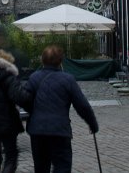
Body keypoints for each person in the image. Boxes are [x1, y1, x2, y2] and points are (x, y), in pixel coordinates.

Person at [24, 45, 98, 173]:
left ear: (42, 60)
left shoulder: (34, 78)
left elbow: (24, 99)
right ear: (60, 61)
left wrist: (33, 113)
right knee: (62, 166)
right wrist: (92, 123)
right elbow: (82, 105)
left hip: (38, 131)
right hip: (59, 131)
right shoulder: (67, 79)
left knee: (41, 168)